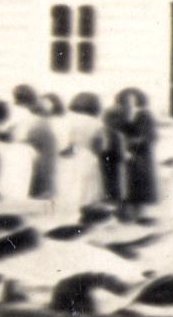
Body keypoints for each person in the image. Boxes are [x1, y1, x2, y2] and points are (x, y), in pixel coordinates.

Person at [105, 88, 160, 222]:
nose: (128, 105)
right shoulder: (116, 115)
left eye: (131, 102)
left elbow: (150, 137)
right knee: (122, 188)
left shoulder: (145, 116)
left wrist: (130, 142)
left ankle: (136, 216)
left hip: (141, 158)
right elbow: (112, 131)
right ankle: (124, 215)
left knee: (138, 189)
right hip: (122, 158)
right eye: (125, 102)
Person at [55, 92, 109, 219]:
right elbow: (100, 147)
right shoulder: (96, 123)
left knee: (67, 188)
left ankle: (67, 217)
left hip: (68, 159)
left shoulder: (65, 120)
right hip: (88, 158)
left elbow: (60, 145)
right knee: (87, 191)